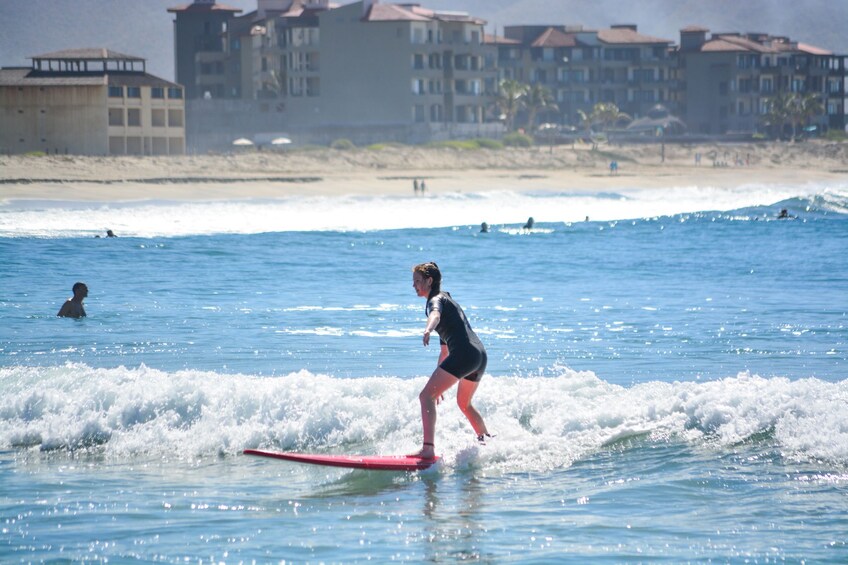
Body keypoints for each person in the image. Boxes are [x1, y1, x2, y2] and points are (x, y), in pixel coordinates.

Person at [411, 262, 491, 458]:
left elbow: (435, 315)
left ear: (429, 281)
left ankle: (428, 449)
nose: (414, 286)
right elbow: (445, 352)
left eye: (417, 281)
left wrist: (428, 329)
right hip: (479, 356)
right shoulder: (448, 300)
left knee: (424, 397)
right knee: (464, 403)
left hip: (464, 355)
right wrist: (437, 382)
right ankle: (487, 442)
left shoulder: (435, 301)